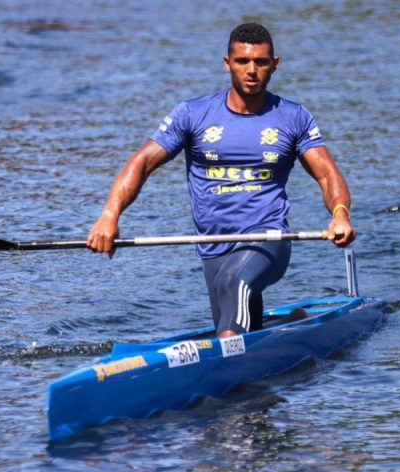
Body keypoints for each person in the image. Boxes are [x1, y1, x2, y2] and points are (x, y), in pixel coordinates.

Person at [86, 22, 355, 338]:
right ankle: (286, 325)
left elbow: (326, 174)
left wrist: (340, 215)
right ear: (227, 63)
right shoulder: (192, 114)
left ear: (275, 65)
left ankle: (231, 356)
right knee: (237, 321)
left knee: (233, 286)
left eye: (261, 62)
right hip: (212, 247)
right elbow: (142, 163)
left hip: (268, 240)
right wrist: (108, 216)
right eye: (242, 61)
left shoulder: (293, 117)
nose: (251, 70)